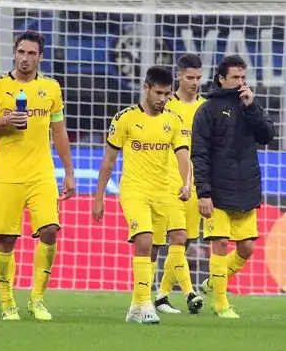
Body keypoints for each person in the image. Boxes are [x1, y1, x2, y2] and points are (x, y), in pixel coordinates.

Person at [0, 30, 76, 321]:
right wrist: (4, 121)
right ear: (14, 52)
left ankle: (37, 299)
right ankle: (8, 303)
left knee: (50, 231)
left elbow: (59, 132)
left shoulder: (52, 88)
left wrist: (68, 172)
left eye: (32, 53)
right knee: (6, 239)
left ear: (40, 57)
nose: (25, 58)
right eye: (21, 52)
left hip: (41, 172)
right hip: (7, 173)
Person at [92, 66, 192, 325]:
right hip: (134, 190)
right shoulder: (124, 118)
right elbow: (108, 161)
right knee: (144, 240)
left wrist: (187, 182)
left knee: (154, 250)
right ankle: (146, 304)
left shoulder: (173, 120)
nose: (163, 98)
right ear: (146, 88)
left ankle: (137, 305)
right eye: (158, 93)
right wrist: (99, 197)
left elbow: (183, 155)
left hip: (163, 193)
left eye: (167, 94)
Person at [192, 55, 276, 318]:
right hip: (217, 192)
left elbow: (267, 136)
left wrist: (252, 108)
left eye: (243, 77)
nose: (241, 83)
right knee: (219, 244)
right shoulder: (207, 110)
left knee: (247, 247)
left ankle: (212, 284)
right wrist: (204, 192)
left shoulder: (250, 105)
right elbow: (200, 153)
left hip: (246, 188)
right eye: (235, 77)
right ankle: (220, 304)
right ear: (221, 79)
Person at [154, 55, 206, 315]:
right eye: (190, 77)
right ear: (179, 76)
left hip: (197, 185)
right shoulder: (165, 104)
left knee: (182, 244)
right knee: (177, 238)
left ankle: (162, 295)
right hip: (168, 183)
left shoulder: (206, 108)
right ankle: (190, 293)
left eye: (198, 77)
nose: (195, 82)